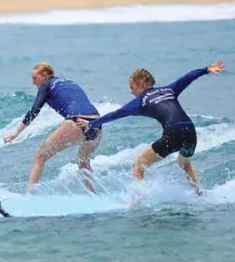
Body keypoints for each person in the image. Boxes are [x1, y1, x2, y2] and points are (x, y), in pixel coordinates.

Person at [75, 60, 226, 195]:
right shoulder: (169, 89)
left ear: (141, 83)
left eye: (132, 87)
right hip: (190, 131)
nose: (131, 91)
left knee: (139, 163)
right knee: (184, 163)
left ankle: (136, 201)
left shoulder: (140, 101)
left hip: (174, 133)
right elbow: (187, 78)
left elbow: (117, 114)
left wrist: (90, 124)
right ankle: (199, 192)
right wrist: (206, 69)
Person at [3, 62, 103, 194]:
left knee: (40, 156)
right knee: (83, 162)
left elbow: (34, 110)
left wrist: (16, 133)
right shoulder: (68, 82)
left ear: (44, 75)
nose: (33, 83)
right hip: (97, 123)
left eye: (35, 78)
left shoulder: (46, 84)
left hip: (76, 120)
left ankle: (29, 197)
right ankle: (94, 195)